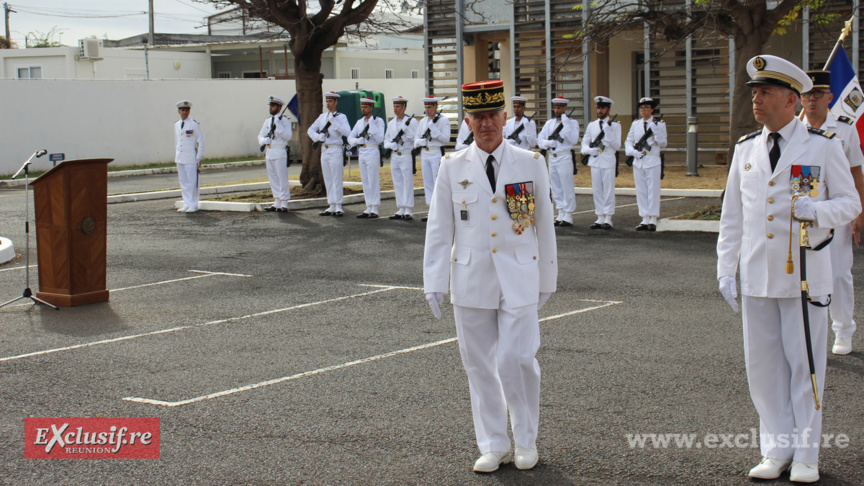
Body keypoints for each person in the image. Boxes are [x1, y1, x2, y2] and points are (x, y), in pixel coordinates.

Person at [717, 55, 860, 483]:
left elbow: (851, 203)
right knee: (762, 370)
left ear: (791, 99)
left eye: (765, 93)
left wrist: (815, 210)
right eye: (755, 93)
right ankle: (776, 448)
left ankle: (807, 455)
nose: (756, 100)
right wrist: (727, 268)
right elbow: (732, 219)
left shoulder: (822, 146)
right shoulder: (746, 149)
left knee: (806, 367)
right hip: (759, 275)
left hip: (803, 277)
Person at [423, 79, 557, 473]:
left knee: (518, 359)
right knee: (478, 364)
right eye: (477, 117)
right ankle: (494, 442)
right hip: (471, 277)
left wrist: (547, 278)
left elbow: (543, 225)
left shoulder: (530, 162)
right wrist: (433, 280)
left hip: (519, 276)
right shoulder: (452, 166)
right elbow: (439, 228)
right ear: (467, 120)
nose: (486, 124)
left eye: (492, 116)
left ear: (505, 116)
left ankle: (526, 439)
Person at [801, 70, 864, 355]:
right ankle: (807, 331)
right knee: (804, 274)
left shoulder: (845, 129)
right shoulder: (792, 128)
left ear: (830, 97)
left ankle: (843, 329)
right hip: (806, 212)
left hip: (837, 211)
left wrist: (859, 213)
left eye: (817, 94)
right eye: (806, 94)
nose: (812, 99)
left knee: (838, 273)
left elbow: (856, 173)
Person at [624, 97, 667, 231]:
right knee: (641, 190)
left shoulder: (659, 124)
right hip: (638, 161)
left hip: (652, 161)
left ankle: (653, 218)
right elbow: (628, 141)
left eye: (646, 107)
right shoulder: (635, 124)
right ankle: (644, 218)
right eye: (641, 108)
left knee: (653, 190)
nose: (643, 110)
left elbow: (663, 143)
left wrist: (656, 131)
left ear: (652, 109)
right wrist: (632, 152)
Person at [308, 92, 352, 217]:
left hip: (335, 149)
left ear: (336, 102)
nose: (328, 103)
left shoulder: (341, 117)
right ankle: (331, 205)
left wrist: (335, 123)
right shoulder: (322, 117)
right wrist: (317, 137)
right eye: (327, 101)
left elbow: (347, 132)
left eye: (331, 101)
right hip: (324, 150)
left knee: (336, 178)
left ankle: (338, 205)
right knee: (328, 178)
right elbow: (310, 130)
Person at [537, 97, 579, 226]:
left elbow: (573, 140)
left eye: (559, 107)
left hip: (564, 156)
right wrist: (547, 143)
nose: (557, 110)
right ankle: (560, 212)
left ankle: (568, 214)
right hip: (552, 157)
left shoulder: (572, 123)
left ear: (565, 108)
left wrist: (566, 124)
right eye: (555, 107)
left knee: (566, 186)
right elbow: (539, 139)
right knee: (555, 186)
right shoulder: (549, 123)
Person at [581, 96, 621, 229]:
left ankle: (608, 218)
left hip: (608, 160)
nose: (600, 110)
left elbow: (617, 146)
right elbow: (584, 144)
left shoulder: (615, 126)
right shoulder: (592, 125)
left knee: (608, 189)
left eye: (603, 108)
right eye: (598, 108)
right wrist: (589, 150)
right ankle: (599, 216)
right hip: (595, 161)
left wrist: (609, 135)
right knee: (597, 190)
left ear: (608, 110)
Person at [414, 96, 451, 221]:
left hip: (436, 153)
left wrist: (435, 131)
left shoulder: (443, 121)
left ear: (436, 107)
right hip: (425, 153)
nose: (427, 110)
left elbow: (446, 139)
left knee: (437, 182)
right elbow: (416, 138)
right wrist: (421, 141)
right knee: (427, 183)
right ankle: (430, 209)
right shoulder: (423, 121)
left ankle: (440, 211)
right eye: (426, 107)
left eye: (429, 107)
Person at [348, 97, 386, 219]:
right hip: (362, 151)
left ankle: (375, 208)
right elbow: (350, 137)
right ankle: (368, 206)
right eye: (362, 106)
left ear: (371, 108)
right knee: (365, 180)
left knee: (373, 180)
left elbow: (380, 139)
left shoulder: (378, 121)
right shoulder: (359, 122)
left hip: (372, 150)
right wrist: (357, 141)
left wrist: (372, 125)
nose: (363, 109)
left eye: (365, 107)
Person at [383, 96, 418, 220]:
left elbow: (415, 139)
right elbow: (386, 138)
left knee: (407, 181)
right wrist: (389, 145)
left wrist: (407, 131)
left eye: (398, 106)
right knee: (397, 181)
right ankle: (401, 207)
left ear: (404, 107)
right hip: (394, 155)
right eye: (394, 106)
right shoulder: (391, 123)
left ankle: (408, 209)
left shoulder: (412, 122)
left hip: (406, 155)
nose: (395, 109)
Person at [257, 96, 293, 212]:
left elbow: (288, 136)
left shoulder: (285, 120)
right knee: (272, 178)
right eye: (270, 106)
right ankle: (277, 201)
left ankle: (284, 203)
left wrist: (278, 126)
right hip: (270, 152)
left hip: (280, 151)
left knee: (282, 178)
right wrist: (264, 141)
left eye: (273, 106)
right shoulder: (267, 121)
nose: (271, 108)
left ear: (279, 107)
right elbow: (260, 135)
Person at [174, 100, 204, 213]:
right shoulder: (176, 124)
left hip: (191, 158)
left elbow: (200, 142)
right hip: (180, 157)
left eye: (187, 110)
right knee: (184, 182)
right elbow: (177, 141)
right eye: (182, 110)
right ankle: (186, 203)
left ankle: (193, 204)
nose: (185, 112)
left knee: (192, 183)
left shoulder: (194, 124)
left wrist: (198, 158)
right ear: (178, 111)